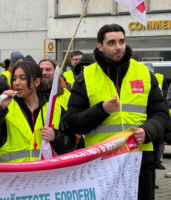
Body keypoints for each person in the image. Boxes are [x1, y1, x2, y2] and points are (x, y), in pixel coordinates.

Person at [63, 24, 168, 200]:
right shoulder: (86, 77)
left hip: (139, 160)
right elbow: (73, 122)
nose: (119, 46)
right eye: (111, 42)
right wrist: (101, 110)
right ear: (100, 46)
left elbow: (161, 114)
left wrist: (148, 130)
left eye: (121, 41)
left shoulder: (143, 73)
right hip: (100, 162)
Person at [0, 61, 75, 163]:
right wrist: (0, 109)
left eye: (23, 78)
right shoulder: (6, 107)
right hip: (13, 175)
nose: (16, 83)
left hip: (46, 175)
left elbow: (71, 144)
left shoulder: (54, 108)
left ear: (37, 82)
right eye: (14, 78)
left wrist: (56, 137)